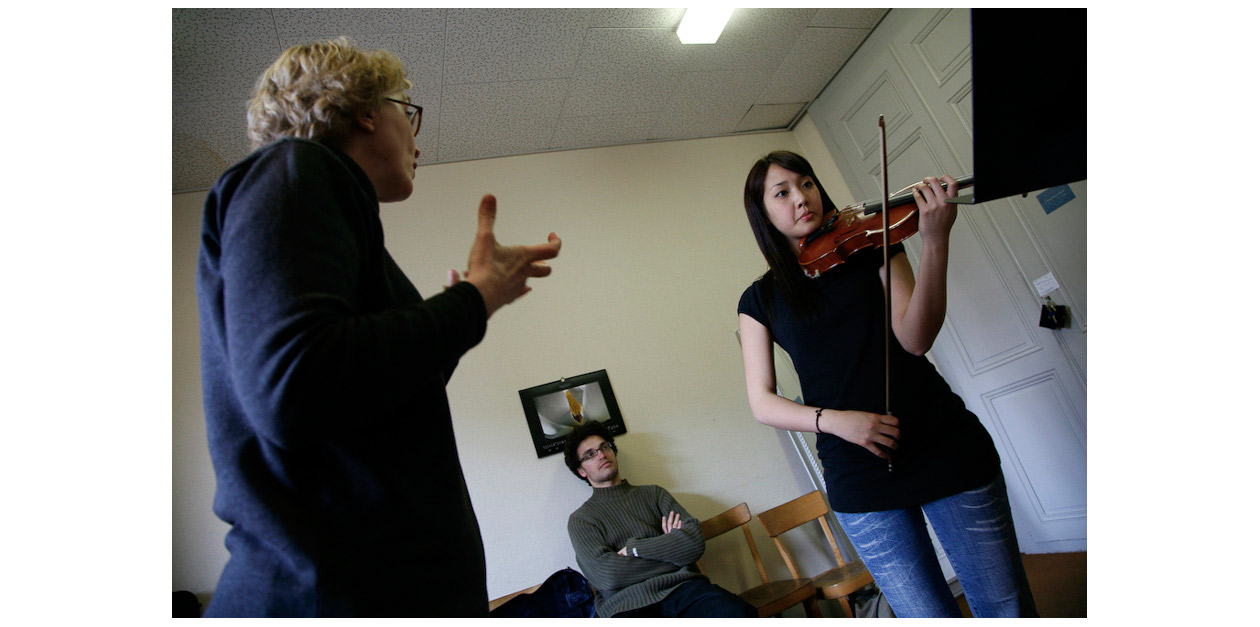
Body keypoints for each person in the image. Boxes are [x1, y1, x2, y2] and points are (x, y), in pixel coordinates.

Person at [196, 38, 562, 617]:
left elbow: (363, 404)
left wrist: (470, 306)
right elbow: (297, 386)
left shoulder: (320, 202)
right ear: (367, 110)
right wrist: (472, 300)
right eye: (406, 114)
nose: (417, 141)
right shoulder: (295, 169)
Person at [735, 151, 1038, 617]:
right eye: (782, 192)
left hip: (942, 443)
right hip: (858, 474)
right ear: (763, 215)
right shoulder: (759, 300)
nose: (801, 197)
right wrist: (838, 422)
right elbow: (762, 402)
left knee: (1005, 607)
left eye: (807, 183)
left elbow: (916, 339)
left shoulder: (872, 245)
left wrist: (935, 241)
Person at [563, 421, 757, 618]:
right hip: (627, 606)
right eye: (590, 454)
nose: (601, 455)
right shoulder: (581, 520)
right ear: (581, 471)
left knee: (739, 614)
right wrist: (673, 554)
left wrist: (635, 549)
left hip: (683, 589)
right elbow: (608, 576)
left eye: (604, 447)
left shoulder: (654, 494)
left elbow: (693, 544)